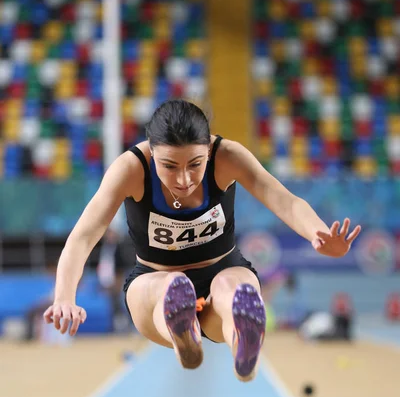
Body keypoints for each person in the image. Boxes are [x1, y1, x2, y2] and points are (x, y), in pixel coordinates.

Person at [43, 99, 361, 382]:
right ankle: (183, 331)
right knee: (167, 286)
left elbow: (283, 199)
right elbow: (84, 235)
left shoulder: (229, 156)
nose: (184, 180)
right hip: (154, 278)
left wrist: (317, 234)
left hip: (223, 268)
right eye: (169, 166)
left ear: (208, 150)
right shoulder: (130, 168)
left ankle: (242, 341)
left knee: (233, 289)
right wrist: (64, 297)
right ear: (152, 153)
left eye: (195, 164)